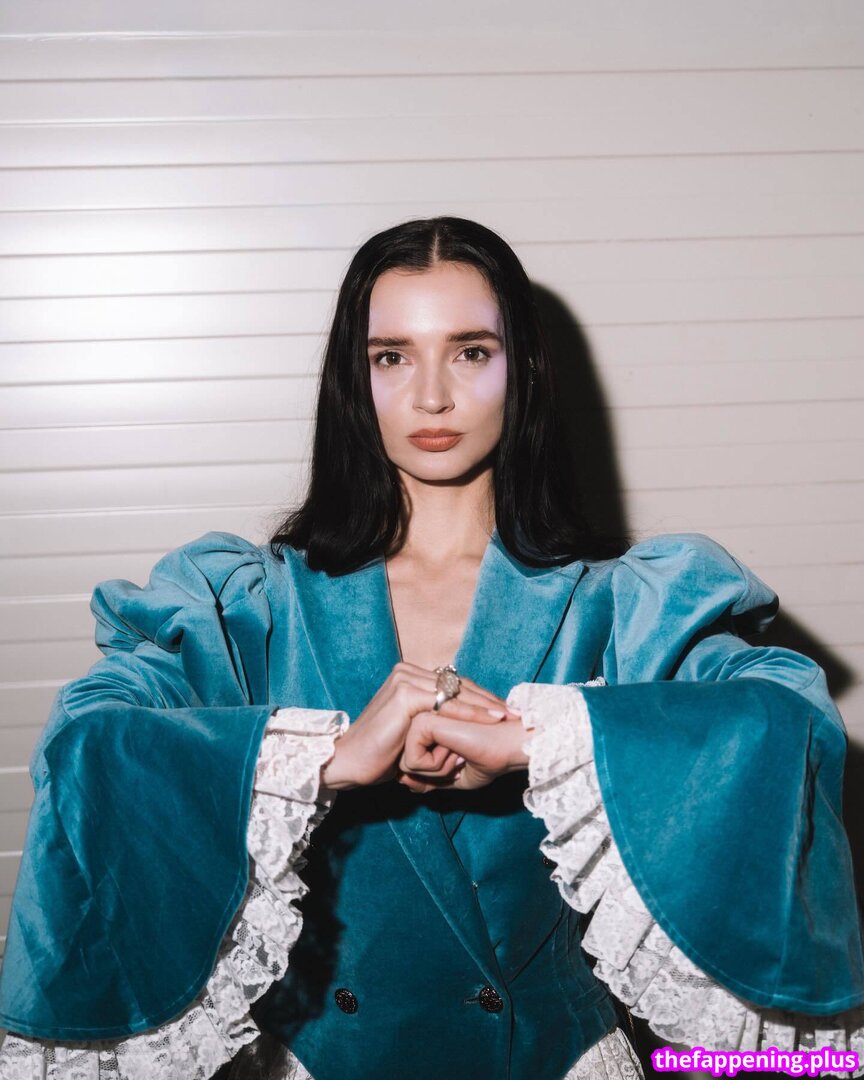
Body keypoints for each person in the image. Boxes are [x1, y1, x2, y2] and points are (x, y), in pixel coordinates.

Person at [0, 217, 862, 1080]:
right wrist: (326, 758)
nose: (432, 397)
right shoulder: (248, 604)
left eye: (470, 352)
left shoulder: (628, 604)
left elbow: (788, 718)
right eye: (392, 357)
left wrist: (542, 741)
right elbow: (88, 738)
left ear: (524, 369)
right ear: (355, 379)